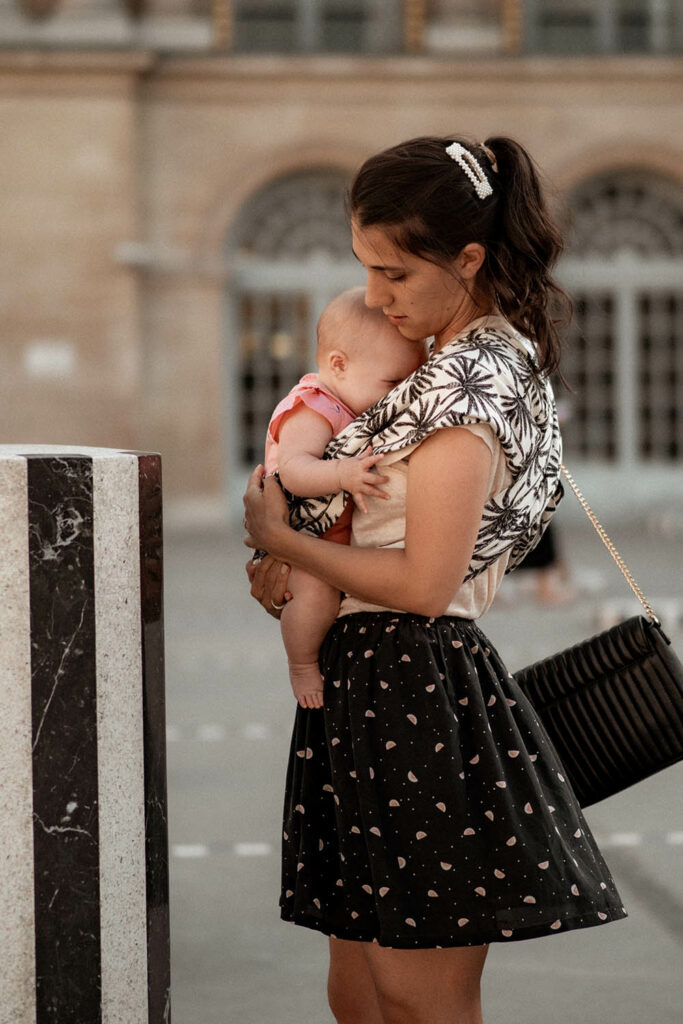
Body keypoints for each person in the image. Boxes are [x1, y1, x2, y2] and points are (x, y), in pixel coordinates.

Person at [243, 135, 627, 1024]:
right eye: (364, 270)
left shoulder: (469, 385)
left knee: (418, 992)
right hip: (371, 678)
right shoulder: (441, 363)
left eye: (395, 275)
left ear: (467, 258)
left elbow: (422, 584)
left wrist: (283, 543)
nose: (373, 298)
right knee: (361, 980)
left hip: (414, 677)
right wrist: (287, 553)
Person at [264, 288, 428, 709]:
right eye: (392, 383)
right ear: (338, 364)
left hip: (335, 543)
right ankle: (301, 664)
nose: (398, 397)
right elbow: (294, 471)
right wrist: (342, 473)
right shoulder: (314, 407)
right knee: (315, 596)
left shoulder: (356, 408)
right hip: (308, 541)